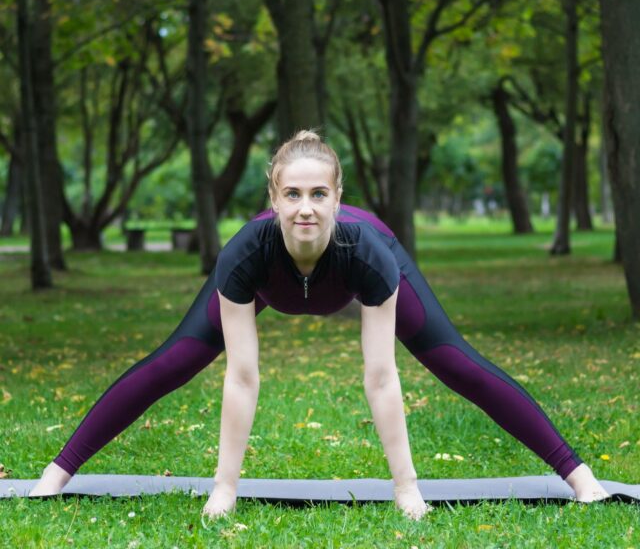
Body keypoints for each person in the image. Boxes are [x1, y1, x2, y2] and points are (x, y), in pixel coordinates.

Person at [30, 130, 609, 519]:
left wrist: (407, 492)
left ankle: (578, 475)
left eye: (318, 194)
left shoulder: (368, 251)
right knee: (174, 360)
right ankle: (57, 472)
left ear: (337, 198)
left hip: (362, 267)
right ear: (273, 200)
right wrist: (223, 491)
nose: (305, 206)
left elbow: (381, 378)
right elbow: (242, 377)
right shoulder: (245, 253)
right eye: (292, 194)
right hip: (268, 279)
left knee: (454, 361)